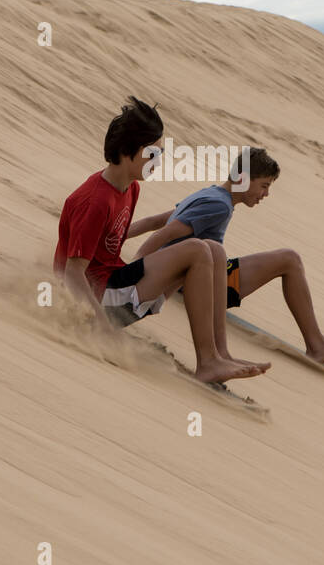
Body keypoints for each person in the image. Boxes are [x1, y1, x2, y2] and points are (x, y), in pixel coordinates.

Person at [53, 98, 269, 384]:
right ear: (130, 151)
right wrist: (102, 330)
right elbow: (71, 273)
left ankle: (219, 355)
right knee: (196, 249)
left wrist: (141, 266)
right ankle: (208, 363)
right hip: (99, 300)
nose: (159, 161)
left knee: (214, 249)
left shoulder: (129, 189)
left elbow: (118, 236)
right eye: (153, 153)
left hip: (116, 283)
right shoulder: (95, 200)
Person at [134, 147, 324, 365]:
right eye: (264, 185)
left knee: (285, 258)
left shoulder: (210, 194)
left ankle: (317, 344)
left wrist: (111, 240)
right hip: (199, 283)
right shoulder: (219, 205)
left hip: (193, 272)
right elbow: (164, 232)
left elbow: (153, 221)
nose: (266, 194)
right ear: (242, 178)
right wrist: (131, 273)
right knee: (289, 259)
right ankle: (317, 345)